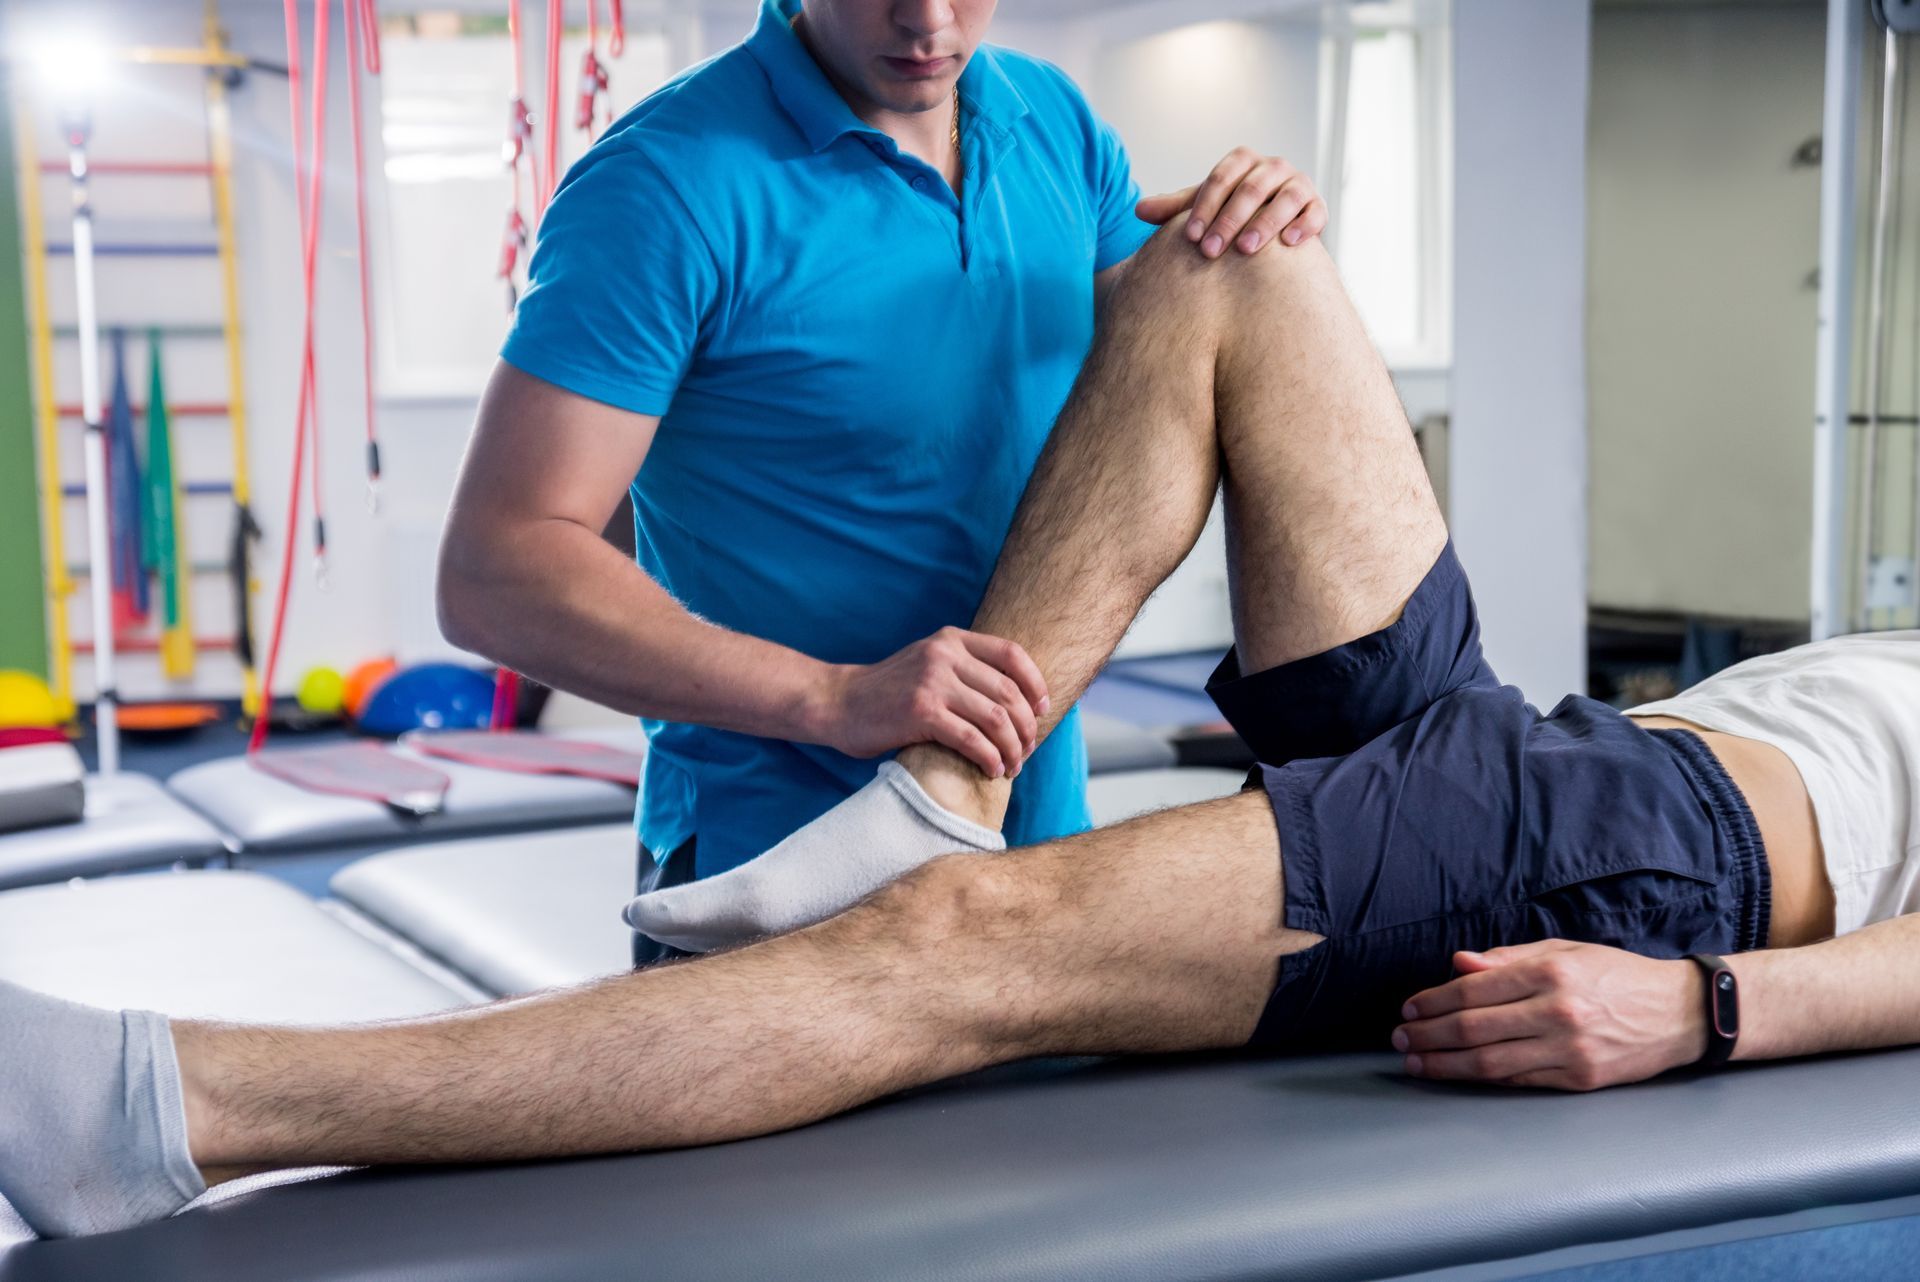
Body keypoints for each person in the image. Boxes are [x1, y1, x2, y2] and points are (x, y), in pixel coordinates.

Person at [8, 216, 1920, 1242]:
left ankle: (173, 1108)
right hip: (1561, 750)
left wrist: (1712, 1008)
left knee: (956, 956)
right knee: (1231, 259)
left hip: (1654, 852)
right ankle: (942, 789)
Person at [433, 0, 1329, 963]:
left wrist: (1252, 232)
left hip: (1034, 859)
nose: (929, 19)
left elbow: (1154, 399)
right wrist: (834, 696)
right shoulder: (661, 183)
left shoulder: (1053, 121)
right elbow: (497, 571)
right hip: (776, 872)